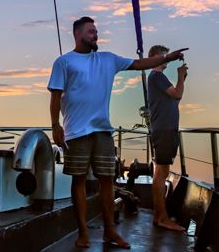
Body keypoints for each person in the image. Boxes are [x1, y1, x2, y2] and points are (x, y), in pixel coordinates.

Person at [48, 17, 185, 249]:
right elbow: (54, 97)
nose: (96, 35)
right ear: (78, 34)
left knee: (107, 181)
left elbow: (139, 64)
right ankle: (82, 232)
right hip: (76, 132)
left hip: (102, 130)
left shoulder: (107, 59)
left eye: (96, 31)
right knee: (78, 181)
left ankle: (110, 231)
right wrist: (55, 125)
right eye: (91, 32)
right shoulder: (64, 62)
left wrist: (166, 58)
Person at [146, 44, 188, 231]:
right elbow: (177, 94)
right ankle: (161, 217)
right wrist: (180, 76)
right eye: (164, 55)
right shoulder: (157, 76)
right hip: (164, 130)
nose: (167, 59)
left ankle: (159, 216)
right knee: (161, 174)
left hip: (163, 129)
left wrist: (181, 78)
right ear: (156, 57)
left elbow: (174, 97)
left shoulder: (156, 78)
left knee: (160, 173)